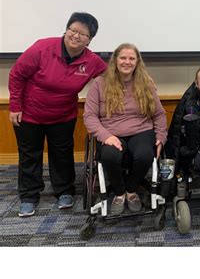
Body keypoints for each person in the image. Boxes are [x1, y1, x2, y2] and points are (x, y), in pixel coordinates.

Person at [8, 12, 107, 217]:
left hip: (63, 116)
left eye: (82, 34)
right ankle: (29, 196)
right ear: (66, 30)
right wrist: (15, 106)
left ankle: (64, 191)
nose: (75, 36)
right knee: (29, 155)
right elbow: (16, 75)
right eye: (73, 30)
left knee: (62, 154)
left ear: (89, 40)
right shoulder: (42, 48)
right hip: (29, 114)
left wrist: (140, 80)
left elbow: (111, 77)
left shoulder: (92, 61)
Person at [83, 43, 167, 215]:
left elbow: (159, 114)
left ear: (137, 62)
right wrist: (105, 136)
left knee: (145, 155)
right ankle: (119, 193)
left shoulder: (146, 84)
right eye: (123, 58)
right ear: (115, 60)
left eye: (131, 58)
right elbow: (89, 116)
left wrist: (161, 136)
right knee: (110, 155)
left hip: (141, 131)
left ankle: (131, 190)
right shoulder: (99, 83)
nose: (127, 62)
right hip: (111, 132)